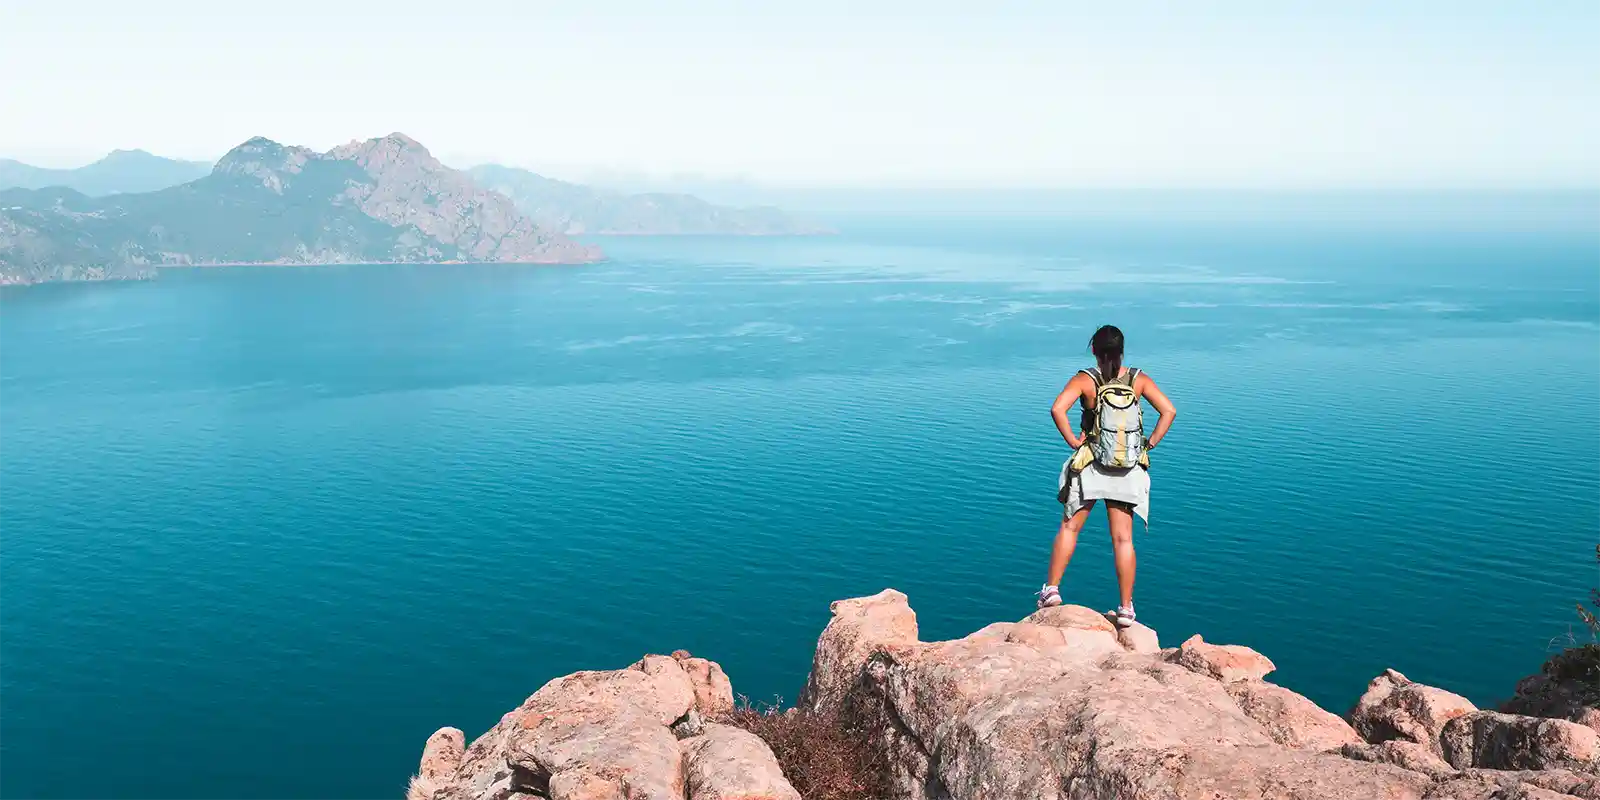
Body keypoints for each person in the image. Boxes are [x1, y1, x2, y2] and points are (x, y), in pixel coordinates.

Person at [1038, 325, 1176, 627]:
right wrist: (1148, 444)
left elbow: (1057, 409)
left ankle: (1052, 591)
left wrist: (1074, 441)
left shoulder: (1085, 379)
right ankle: (1126, 609)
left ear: (1094, 351)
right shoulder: (1138, 380)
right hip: (1127, 466)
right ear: (1122, 350)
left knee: (1070, 529)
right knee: (1123, 539)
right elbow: (1169, 410)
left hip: (1092, 462)